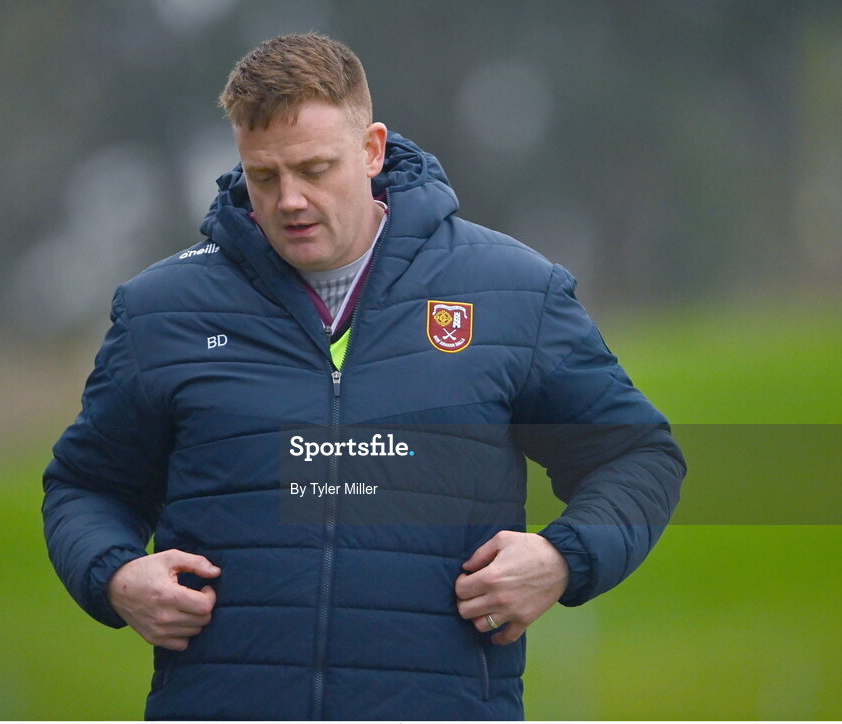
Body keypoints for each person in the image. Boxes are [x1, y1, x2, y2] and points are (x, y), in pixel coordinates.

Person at [42, 33, 685, 720]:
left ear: (372, 150)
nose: (289, 200)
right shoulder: (161, 310)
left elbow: (637, 457)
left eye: (315, 169)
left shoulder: (513, 294)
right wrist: (115, 577)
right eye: (264, 176)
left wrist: (562, 559)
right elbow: (87, 487)